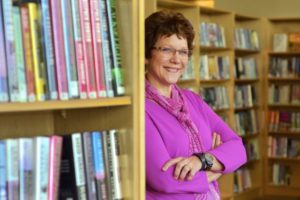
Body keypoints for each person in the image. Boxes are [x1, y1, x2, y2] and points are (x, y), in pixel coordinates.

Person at [145, 10, 247, 200]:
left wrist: (201, 160)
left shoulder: (193, 100)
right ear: (147, 54)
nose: (177, 59)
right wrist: (215, 169)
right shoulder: (140, 109)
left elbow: (238, 148)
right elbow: (164, 180)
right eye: (167, 49)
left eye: (183, 52)